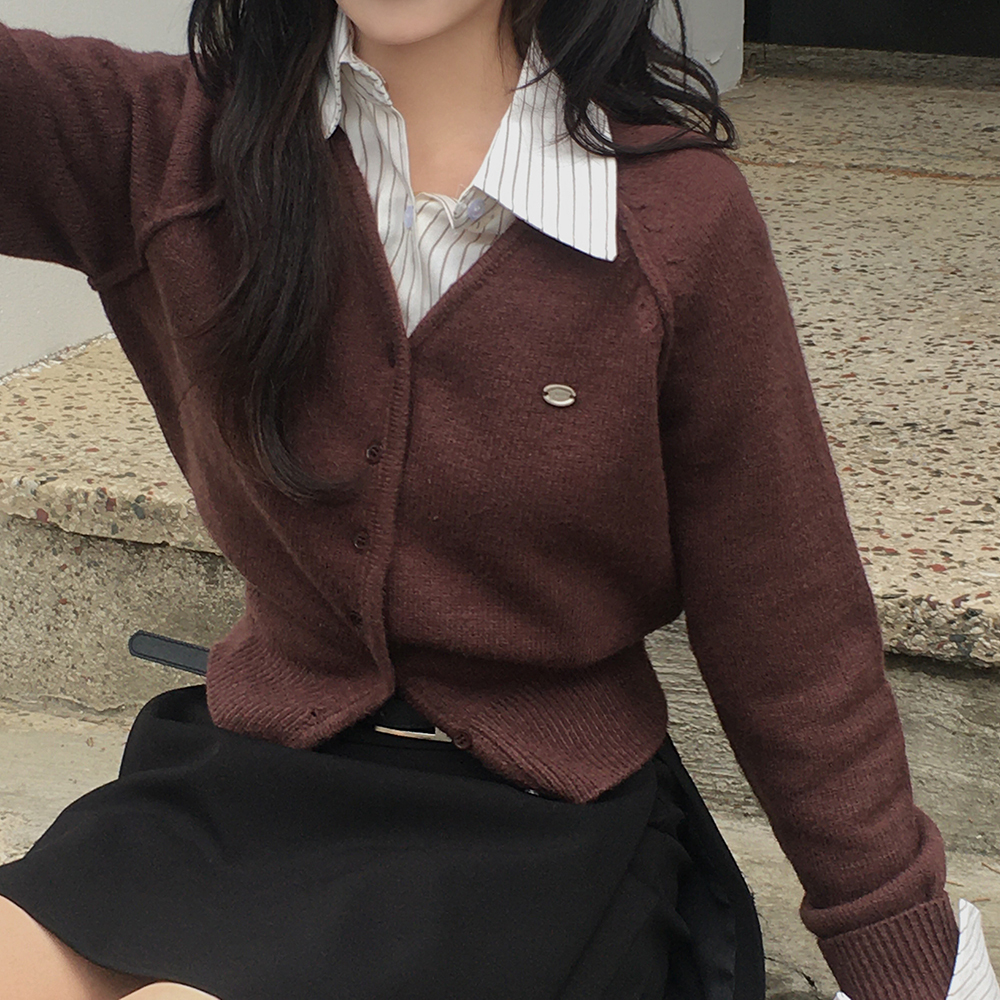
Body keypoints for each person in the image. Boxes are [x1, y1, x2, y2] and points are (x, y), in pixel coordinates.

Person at [0, 0, 996, 998]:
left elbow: (787, 624)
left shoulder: (674, 225)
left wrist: (899, 951)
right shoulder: (172, 149)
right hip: (257, 781)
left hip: (534, 830)